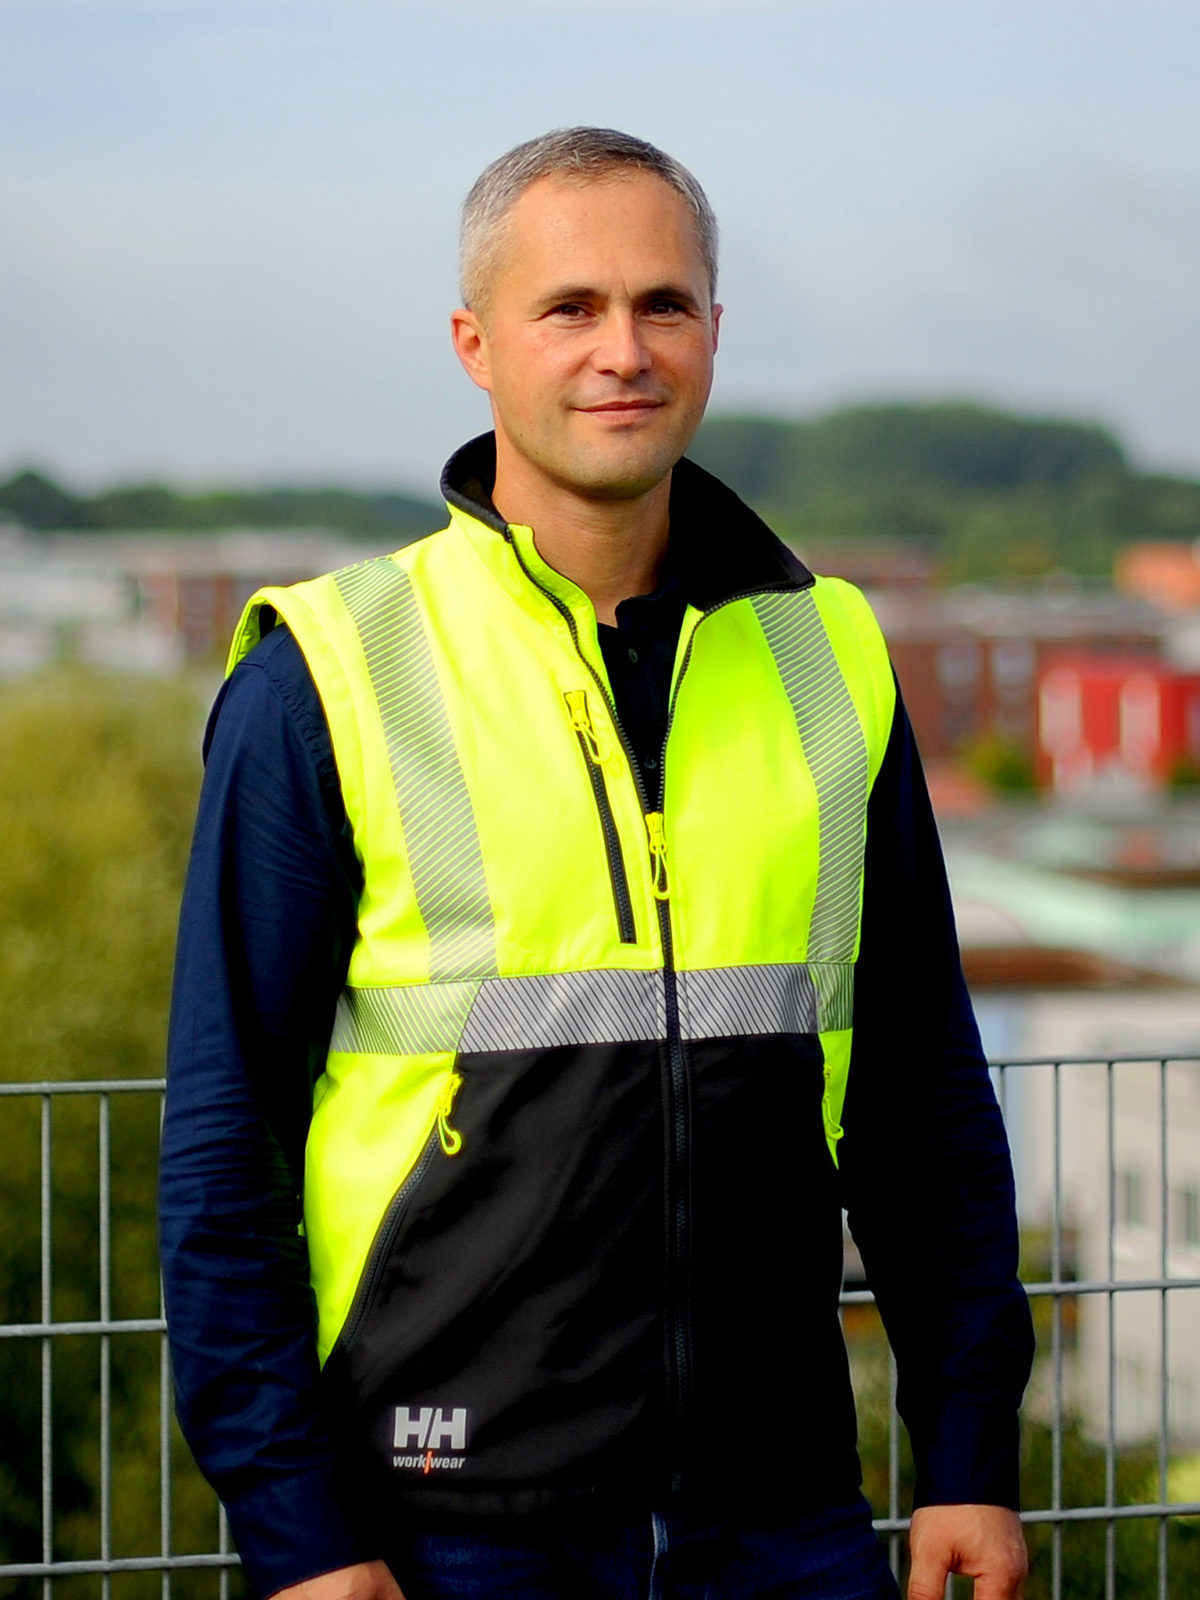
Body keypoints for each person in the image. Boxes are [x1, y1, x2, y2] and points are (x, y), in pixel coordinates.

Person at [160, 128, 1034, 1600]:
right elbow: (222, 1148)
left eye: (662, 305)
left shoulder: (834, 660)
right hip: (443, 1522)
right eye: (569, 308)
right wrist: (301, 1533)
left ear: (711, 333)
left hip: (782, 1515)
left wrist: (968, 1455)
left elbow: (921, 1098)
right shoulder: (330, 672)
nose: (620, 350)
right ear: (475, 344)